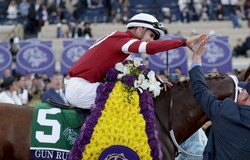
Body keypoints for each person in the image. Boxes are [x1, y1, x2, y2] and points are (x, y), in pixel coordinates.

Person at [64, 13, 207, 109]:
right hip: (80, 88)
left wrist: (158, 83)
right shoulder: (121, 40)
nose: (151, 40)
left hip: (84, 86)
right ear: (139, 29)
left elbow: (138, 71)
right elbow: (149, 48)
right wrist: (183, 42)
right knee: (130, 96)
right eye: (151, 35)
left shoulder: (121, 43)